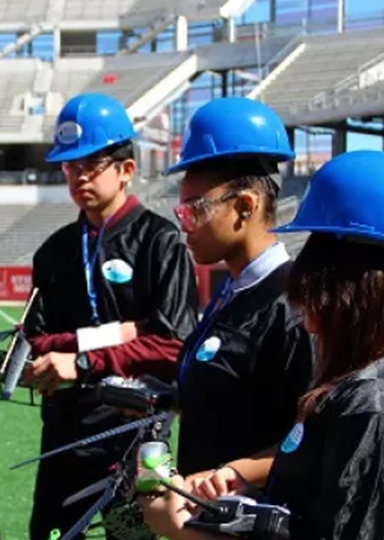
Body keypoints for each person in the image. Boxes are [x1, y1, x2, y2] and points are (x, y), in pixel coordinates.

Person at [141, 149, 384, 540]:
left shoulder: (367, 403)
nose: (308, 318)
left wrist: (187, 529)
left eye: (194, 208)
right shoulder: (232, 297)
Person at [22, 92, 200, 540]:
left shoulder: (162, 242)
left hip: (135, 429)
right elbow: (36, 340)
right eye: (69, 166)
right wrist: (118, 335)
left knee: (131, 538)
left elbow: (171, 345)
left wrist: (79, 359)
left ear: (126, 170)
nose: (78, 176)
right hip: (64, 428)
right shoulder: (53, 251)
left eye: (91, 164)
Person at [164, 97, 313, 481]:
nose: (185, 225)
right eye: (180, 212)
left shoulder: (296, 306)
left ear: (245, 206)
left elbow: (317, 439)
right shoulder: (233, 291)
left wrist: (230, 476)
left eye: (194, 209)